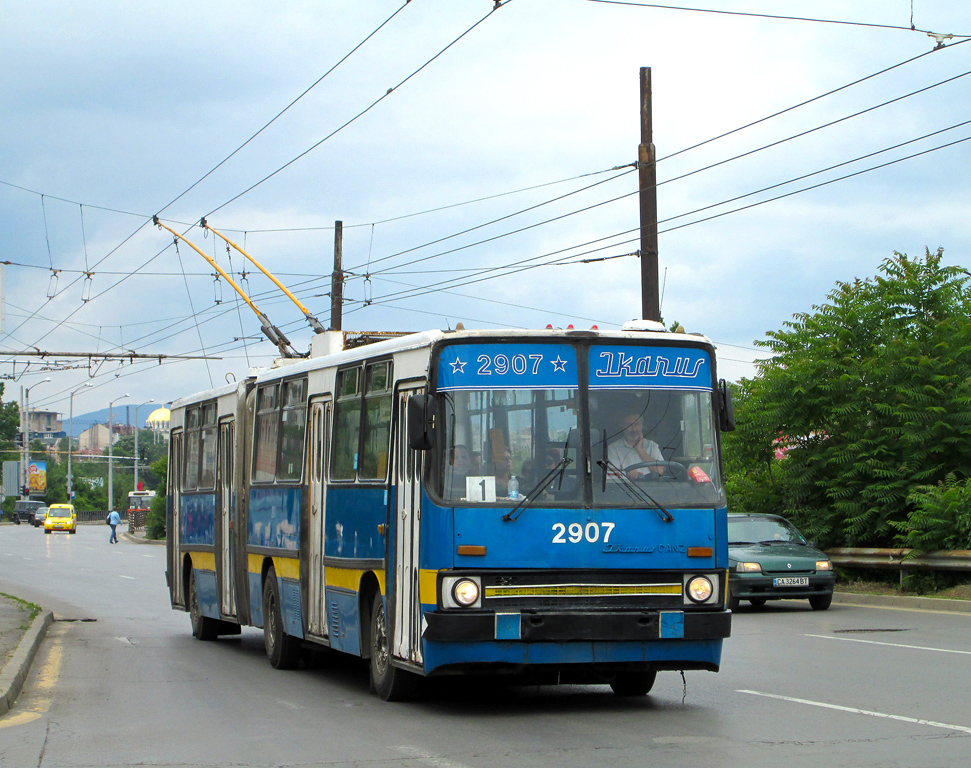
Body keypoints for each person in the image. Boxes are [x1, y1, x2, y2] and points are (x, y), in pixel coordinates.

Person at [607, 412, 664, 479]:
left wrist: (640, 450)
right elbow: (611, 476)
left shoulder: (652, 446)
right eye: (629, 425)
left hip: (651, 487)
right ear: (623, 426)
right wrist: (626, 474)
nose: (634, 429)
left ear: (642, 425)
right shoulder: (613, 448)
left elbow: (660, 471)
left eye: (637, 424)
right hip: (626, 488)